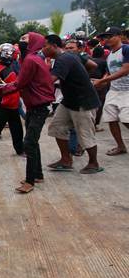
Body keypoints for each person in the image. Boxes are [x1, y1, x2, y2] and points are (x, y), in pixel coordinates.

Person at [0, 32, 55, 193]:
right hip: (32, 105)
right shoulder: (28, 59)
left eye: (25, 39)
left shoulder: (31, 60)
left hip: (39, 106)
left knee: (29, 142)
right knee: (32, 141)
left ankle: (30, 181)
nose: (20, 41)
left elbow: (18, 84)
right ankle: (38, 174)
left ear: (34, 43)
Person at [42, 34, 102, 174]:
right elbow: (92, 65)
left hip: (82, 101)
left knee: (85, 133)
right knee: (57, 127)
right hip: (69, 100)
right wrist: (80, 76)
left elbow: (50, 80)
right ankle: (66, 160)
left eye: (45, 46)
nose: (43, 49)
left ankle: (94, 163)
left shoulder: (63, 59)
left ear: (54, 46)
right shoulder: (71, 55)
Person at [93, 27, 129, 156]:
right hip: (114, 91)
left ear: (119, 36)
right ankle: (120, 146)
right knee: (111, 118)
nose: (107, 39)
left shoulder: (126, 49)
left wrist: (102, 81)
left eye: (110, 36)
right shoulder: (109, 55)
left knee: (126, 119)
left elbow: (125, 70)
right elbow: (109, 72)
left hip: (127, 91)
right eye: (105, 37)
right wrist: (102, 81)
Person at [90, 46, 109, 131]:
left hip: (89, 84)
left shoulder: (89, 61)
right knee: (99, 105)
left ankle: (89, 123)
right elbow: (107, 73)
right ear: (102, 54)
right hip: (100, 84)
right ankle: (95, 125)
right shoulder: (104, 62)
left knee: (90, 104)